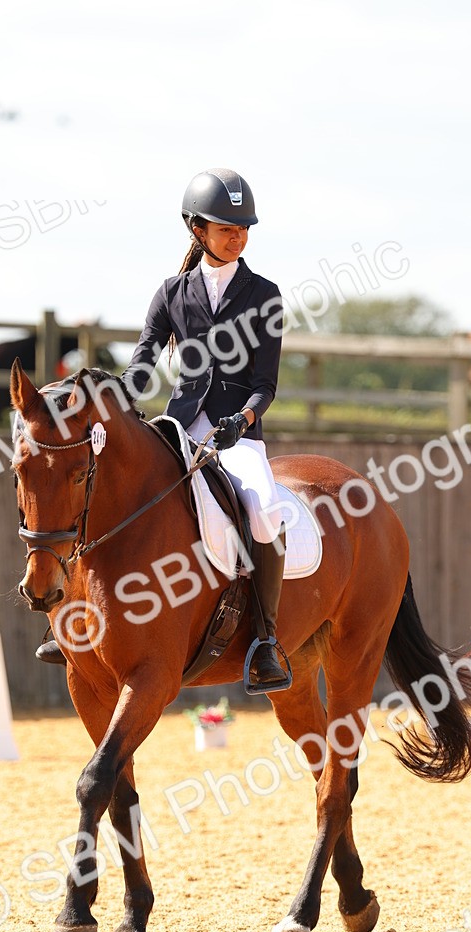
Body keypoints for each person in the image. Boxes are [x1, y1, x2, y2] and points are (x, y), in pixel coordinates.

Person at [120, 167, 290, 691]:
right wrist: (116, 399)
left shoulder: (265, 294)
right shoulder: (171, 293)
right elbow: (143, 364)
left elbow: (266, 384)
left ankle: (265, 640)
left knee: (262, 513)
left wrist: (242, 421)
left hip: (236, 434)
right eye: (225, 227)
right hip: (179, 426)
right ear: (197, 229)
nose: (236, 235)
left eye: (243, 228)